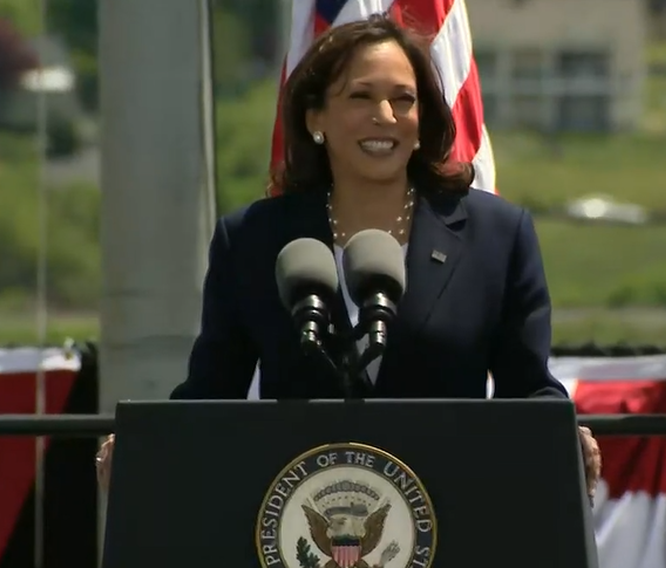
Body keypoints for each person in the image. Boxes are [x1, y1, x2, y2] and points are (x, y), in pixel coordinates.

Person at [97, 14, 600, 497]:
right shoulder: (252, 238)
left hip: (453, 511)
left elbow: (528, 387)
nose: (385, 117)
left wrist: (564, 433)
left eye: (404, 100)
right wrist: (148, 446)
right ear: (315, 116)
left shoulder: (497, 235)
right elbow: (210, 394)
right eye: (361, 97)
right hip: (294, 521)